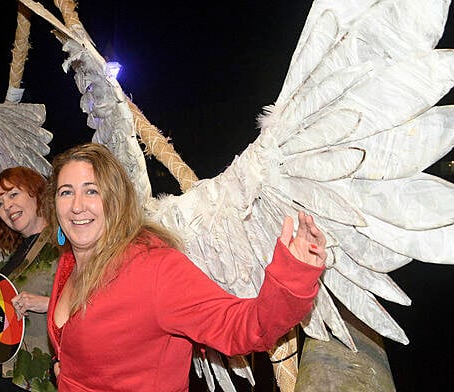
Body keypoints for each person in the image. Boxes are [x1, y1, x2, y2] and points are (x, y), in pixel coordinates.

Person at [42, 143, 327, 391]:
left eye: (91, 191)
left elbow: (243, 326)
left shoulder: (154, 270)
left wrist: (295, 275)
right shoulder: (69, 263)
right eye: (66, 192)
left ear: (115, 200)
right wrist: (62, 368)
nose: (77, 206)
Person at [0, 167, 59, 391]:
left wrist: (47, 304)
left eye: (13, 194)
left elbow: (92, 303)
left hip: (37, 379)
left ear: (36, 192)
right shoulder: (10, 259)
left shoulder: (65, 245)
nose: (7, 207)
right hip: (2, 375)